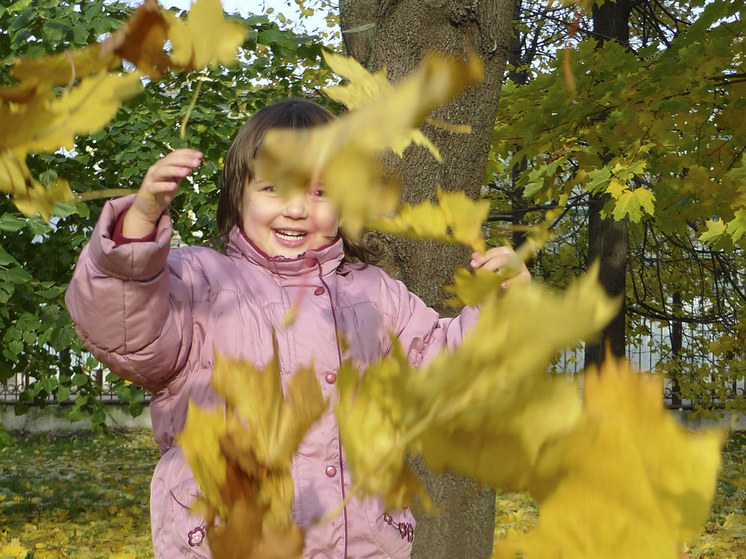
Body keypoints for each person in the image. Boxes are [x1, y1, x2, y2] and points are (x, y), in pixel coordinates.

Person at [65, 98, 530, 559]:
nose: (296, 210)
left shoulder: (374, 296)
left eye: (320, 193)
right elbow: (125, 332)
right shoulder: (198, 286)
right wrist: (136, 236)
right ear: (238, 194)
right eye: (272, 188)